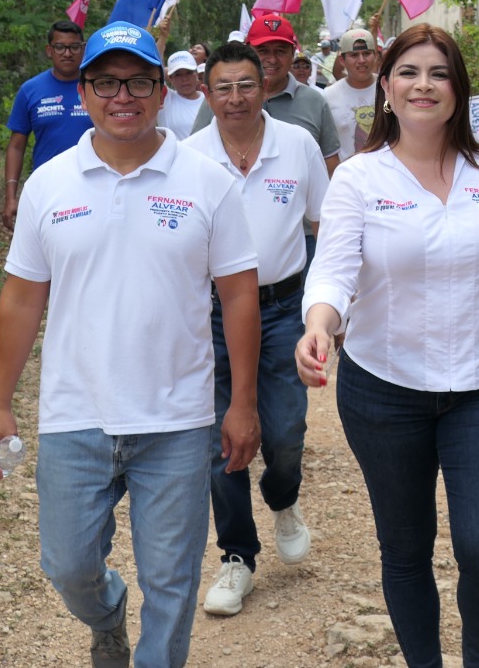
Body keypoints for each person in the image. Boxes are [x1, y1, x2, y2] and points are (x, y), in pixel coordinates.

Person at [295, 23, 479, 668]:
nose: (423, 85)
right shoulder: (359, 179)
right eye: (408, 72)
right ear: (387, 88)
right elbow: (335, 270)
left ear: (458, 90)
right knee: (405, 547)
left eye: (439, 73)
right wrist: (319, 324)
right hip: (383, 388)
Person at [0, 20, 263, 668]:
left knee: (172, 580)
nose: (122, 95)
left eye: (138, 81)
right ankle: (106, 614)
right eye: (106, 82)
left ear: (163, 91)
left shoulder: (206, 182)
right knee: (68, 564)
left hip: (177, 419)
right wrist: (0, 404)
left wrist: (241, 402)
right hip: (76, 413)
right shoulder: (51, 184)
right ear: (83, 92)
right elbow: (22, 298)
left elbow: (240, 295)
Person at [183, 42, 330, 617]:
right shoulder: (189, 157)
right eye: (224, 87)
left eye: (247, 84)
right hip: (211, 315)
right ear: (207, 92)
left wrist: (331, 305)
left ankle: (284, 498)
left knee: (285, 429)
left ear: (264, 87)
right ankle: (236, 558)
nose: (236, 97)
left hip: (283, 308)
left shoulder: (298, 146)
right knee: (222, 436)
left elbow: (327, 225)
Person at [192, 13, 339, 175]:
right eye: (263, 51)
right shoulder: (219, 101)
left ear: (292, 53)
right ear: (248, 52)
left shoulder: (315, 101)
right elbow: (195, 156)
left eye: (280, 51)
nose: (272, 59)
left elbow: (330, 166)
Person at [3, 20, 93, 230]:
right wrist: (10, 196)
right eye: (60, 47)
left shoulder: (98, 86)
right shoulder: (30, 90)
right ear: (49, 50)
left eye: (74, 47)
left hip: (95, 185)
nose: (67, 53)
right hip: (48, 189)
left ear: (83, 48)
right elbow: (16, 146)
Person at [321, 27, 378, 163]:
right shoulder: (328, 96)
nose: (361, 60)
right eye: (354, 55)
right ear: (342, 60)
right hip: (348, 179)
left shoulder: (390, 88)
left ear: (375, 56)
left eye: (367, 53)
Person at [161, 50, 205, 139]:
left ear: (196, 74)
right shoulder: (165, 99)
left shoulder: (209, 100)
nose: (184, 79)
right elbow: (154, 68)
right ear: (170, 78)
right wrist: (163, 38)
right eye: (178, 75)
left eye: (188, 73)